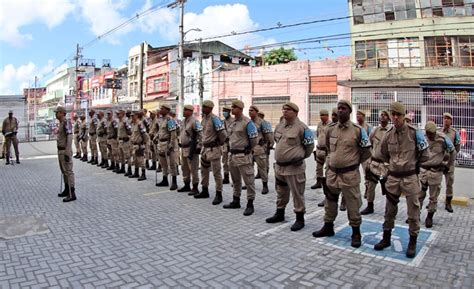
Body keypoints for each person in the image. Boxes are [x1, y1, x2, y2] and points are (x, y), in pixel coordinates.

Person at [373, 101, 430, 258]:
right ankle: (386, 238)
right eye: (393, 114)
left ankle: (412, 242)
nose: (395, 117)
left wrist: (414, 166)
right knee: (389, 211)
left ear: (404, 116)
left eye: (398, 114)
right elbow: (381, 154)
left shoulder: (414, 133)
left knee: (413, 211)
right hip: (393, 178)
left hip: (410, 177)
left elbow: (425, 155)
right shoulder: (388, 135)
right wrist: (386, 169)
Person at [312, 100, 371, 248]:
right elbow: (327, 149)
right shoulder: (331, 129)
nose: (340, 111)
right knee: (330, 201)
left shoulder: (358, 131)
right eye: (338, 108)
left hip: (349, 175)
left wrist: (352, 163)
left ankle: (356, 232)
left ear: (349, 111)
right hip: (332, 174)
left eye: (343, 108)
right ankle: (328, 226)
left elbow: (366, 153)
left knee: (353, 204)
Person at [265, 102, 314, 231]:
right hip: (280, 167)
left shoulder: (302, 128)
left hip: (294, 168)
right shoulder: (280, 125)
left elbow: (309, 147)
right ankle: (279, 213)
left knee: (297, 193)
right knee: (281, 192)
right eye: (283, 109)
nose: (284, 111)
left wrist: (300, 156)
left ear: (295, 112)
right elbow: (277, 141)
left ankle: (299, 218)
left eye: (288, 110)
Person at [223, 100, 258, 215]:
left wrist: (247, 149)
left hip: (243, 155)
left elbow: (254, 140)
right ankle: (236, 200)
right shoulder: (232, 123)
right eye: (232, 107)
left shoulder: (248, 123)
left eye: (234, 107)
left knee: (249, 181)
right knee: (235, 180)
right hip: (232, 155)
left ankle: (250, 204)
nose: (232, 109)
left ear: (240, 109)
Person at [419, 121, 455, 228]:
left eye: (432, 133)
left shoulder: (443, 139)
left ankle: (429, 217)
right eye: (428, 133)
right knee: (419, 195)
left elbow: (453, 151)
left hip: (436, 171)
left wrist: (448, 165)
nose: (430, 135)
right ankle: (416, 214)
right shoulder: (423, 138)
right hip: (424, 170)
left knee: (433, 197)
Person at [194, 100, 227, 204]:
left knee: (216, 172)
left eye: (204, 107)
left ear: (210, 108)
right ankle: (204, 190)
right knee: (204, 171)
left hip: (214, 149)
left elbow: (223, 134)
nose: (203, 108)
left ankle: (219, 194)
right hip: (205, 149)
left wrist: (219, 143)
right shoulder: (204, 119)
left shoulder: (215, 119)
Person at [360, 110, 390, 215]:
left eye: (385, 115)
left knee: (388, 188)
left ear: (389, 118)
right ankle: (370, 206)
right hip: (374, 163)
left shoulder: (391, 131)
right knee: (370, 185)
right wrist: (369, 160)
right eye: (381, 115)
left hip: (386, 165)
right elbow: (369, 145)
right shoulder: (375, 131)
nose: (382, 117)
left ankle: (389, 209)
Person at [249, 105, 274, 195]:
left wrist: (268, 145)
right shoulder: (248, 122)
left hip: (259, 149)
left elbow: (269, 136)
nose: (250, 112)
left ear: (256, 112)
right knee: (249, 168)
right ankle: (249, 184)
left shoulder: (263, 123)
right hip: (249, 149)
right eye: (249, 110)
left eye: (252, 110)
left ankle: (265, 185)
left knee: (262, 168)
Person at [439, 112, 461, 213]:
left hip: (449, 163)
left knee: (449, 183)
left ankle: (448, 203)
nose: (446, 120)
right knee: (435, 183)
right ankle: (433, 201)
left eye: (448, 118)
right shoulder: (438, 131)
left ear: (451, 121)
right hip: (438, 162)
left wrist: (451, 159)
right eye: (444, 118)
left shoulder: (454, 133)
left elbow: (457, 148)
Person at [178, 105, 202, 195]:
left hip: (191, 148)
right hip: (183, 147)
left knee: (193, 168)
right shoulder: (183, 121)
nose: (183, 111)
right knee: (184, 168)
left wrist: (199, 146)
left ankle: (195, 187)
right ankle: (186, 185)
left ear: (190, 111)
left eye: (185, 110)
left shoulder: (195, 122)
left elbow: (201, 134)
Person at [154, 104, 179, 190]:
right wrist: (156, 137)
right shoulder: (161, 120)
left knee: (171, 164)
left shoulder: (170, 120)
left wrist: (171, 146)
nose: (161, 110)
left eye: (163, 109)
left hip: (168, 144)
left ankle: (174, 182)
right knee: (163, 163)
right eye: (160, 108)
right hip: (161, 144)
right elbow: (160, 131)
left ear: (167, 110)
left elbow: (173, 134)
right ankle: (165, 180)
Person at [54, 106, 76, 202]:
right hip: (60, 151)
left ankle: (72, 193)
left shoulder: (66, 122)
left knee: (68, 171)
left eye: (57, 112)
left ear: (62, 113)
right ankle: (67, 190)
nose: (56, 114)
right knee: (64, 171)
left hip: (64, 151)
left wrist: (67, 150)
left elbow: (70, 136)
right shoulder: (61, 123)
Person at [311, 109, 331, 193]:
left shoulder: (331, 125)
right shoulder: (319, 124)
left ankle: (327, 184)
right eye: (320, 115)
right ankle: (318, 182)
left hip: (327, 151)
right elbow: (318, 135)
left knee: (327, 169)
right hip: (319, 149)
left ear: (327, 116)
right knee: (318, 167)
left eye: (323, 115)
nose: (321, 117)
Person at [130, 111, 149, 181]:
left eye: (133, 116)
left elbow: (145, 134)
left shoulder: (140, 124)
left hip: (139, 145)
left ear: (137, 116)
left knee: (141, 160)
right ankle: (136, 172)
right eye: (131, 116)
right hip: (134, 145)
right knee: (135, 160)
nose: (131, 117)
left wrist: (143, 143)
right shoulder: (133, 124)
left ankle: (143, 174)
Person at [116, 109, 132, 175]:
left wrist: (128, 137)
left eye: (118, 113)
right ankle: (122, 168)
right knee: (121, 156)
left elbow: (130, 131)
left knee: (127, 156)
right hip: (120, 141)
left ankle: (129, 169)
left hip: (125, 141)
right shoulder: (119, 122)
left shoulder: (125, 122)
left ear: (122, 114)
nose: (117, 115)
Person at [221, 106, 234, 185]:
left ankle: (234, 179)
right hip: (225, 145)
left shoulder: (233, 121)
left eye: (225, 111)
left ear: (229, 112)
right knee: (225, 162)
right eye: (223, 111)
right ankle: (226, 178)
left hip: (232, 144)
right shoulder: (222, 122)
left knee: (232, 163)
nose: (224, 113)